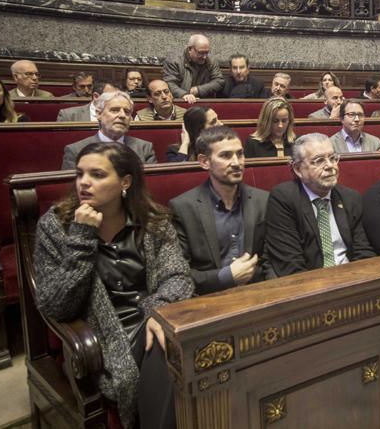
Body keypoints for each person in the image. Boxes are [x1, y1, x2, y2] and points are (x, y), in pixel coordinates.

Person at [34, 142, 193, 428]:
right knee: (168, 348)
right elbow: (55, 305)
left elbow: (178, 277)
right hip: (101, 338)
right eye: (80, 174)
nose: (84, 182)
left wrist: (158, 311)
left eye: (97, 175)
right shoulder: (57, 226)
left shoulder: (152, 219)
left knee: (173, 340)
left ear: (125, 182)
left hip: (151, 319)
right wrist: (82, 239)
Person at [170, 126, 268, 294]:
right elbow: (179, 275)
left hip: (259, 294)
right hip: (210, 300)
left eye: (240, 154)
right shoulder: (183, 208)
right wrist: (226, 276)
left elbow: (273, 260)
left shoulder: (263, 200)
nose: (237, 163)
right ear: (204, 162)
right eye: (225, 156)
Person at [264, 133, 375, 277]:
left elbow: (363, 252)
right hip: (309, 287)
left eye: (333, 158)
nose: (330, 166)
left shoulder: (350, 198)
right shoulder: (284, 199)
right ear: (298, 169)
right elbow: (290, 264)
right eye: (319, 160)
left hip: (351, 280)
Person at [61, 91, 156, 170]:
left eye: (127, 112)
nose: (122, 115)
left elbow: (150, 185)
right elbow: (71, 189)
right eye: (115, 110)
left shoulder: (144, 148)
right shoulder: (76, 151)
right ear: (99, 114)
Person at [162, 34, 224, 103]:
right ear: (190, 49)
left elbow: (219, 81)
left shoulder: (211, 61)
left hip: (203, 102)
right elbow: (169, 83)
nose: (205, 57)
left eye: (207, 52)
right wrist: (184, 94)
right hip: (180, 101)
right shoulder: (174, 60)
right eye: (201, 53)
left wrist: (199, 90)